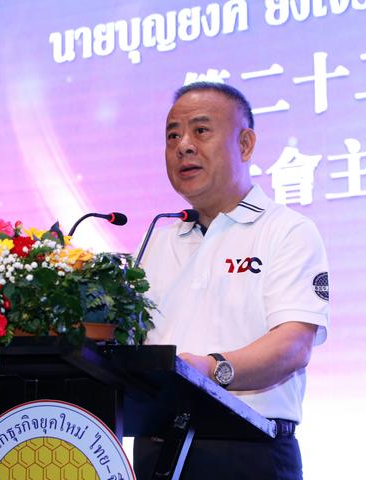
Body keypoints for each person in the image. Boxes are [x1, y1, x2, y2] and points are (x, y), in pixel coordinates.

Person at [134, 82, 329, 480]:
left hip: (247, 449)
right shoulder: (157, 240)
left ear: (245, 144)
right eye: (172, 135)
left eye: (200, 130)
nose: (183, 146)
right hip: (157, 448)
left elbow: (293, 346)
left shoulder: (286, 231)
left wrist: (211, 369)